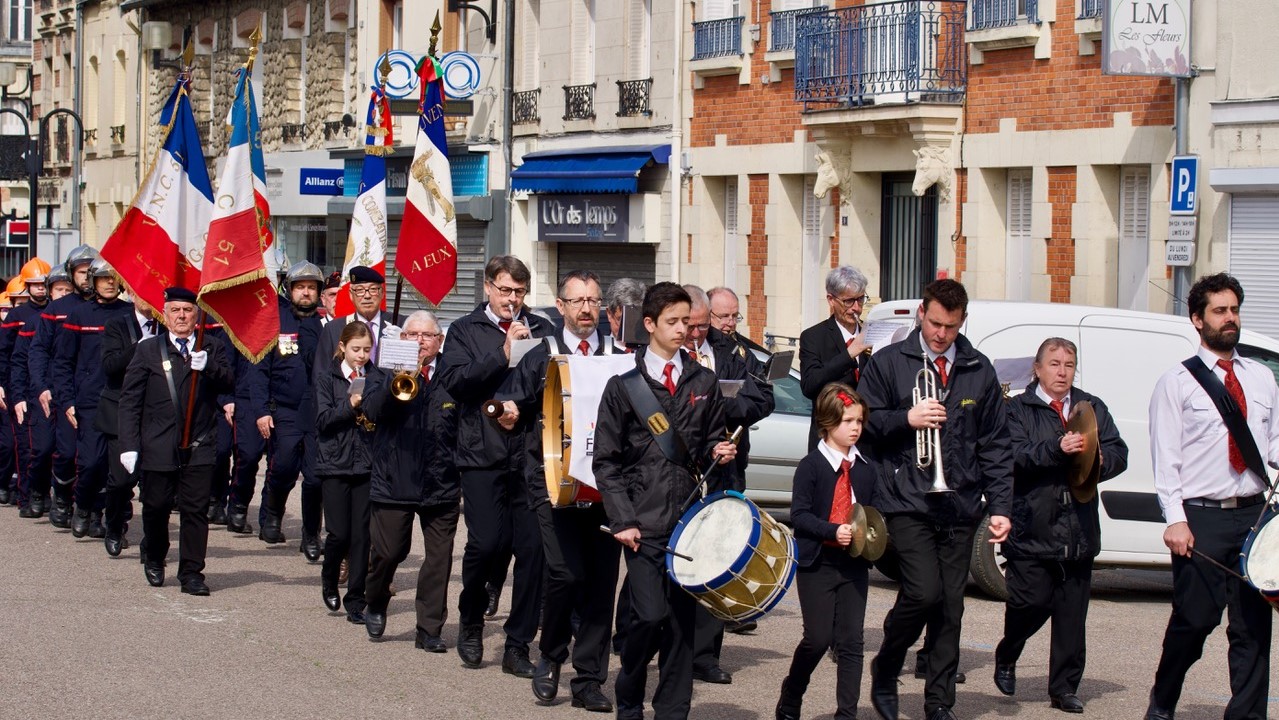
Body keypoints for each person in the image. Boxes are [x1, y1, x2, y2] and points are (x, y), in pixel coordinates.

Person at [858, 279, 1013, 720]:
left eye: (951, 325)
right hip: (906, 499)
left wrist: (1001, 507)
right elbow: (863, 423)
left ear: (963, 321)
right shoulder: (890, 362)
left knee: (950, 606)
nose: (941, 333)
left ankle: (939, 702)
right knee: (924, 592)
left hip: (960, 501)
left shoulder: (978, 368)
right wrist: (907, 418)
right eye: (935, 322)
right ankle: (887, 665)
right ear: (923, 313)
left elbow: (996, 445)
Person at [594, 281, 737, 720]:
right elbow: (606, 461)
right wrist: (622, 519)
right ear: (650, 324)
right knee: (649, 616)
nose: (683, 331)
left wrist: (720, 449)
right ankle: (631, 692)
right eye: (672, 322)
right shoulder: (623, 386)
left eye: (687, 322)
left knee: (681, 623)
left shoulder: (704, 379)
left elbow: (712, 437)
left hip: (690, 520)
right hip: (643, 521)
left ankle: (673, 708)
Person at [1144, 273, 1279, 720]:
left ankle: (1246, 716)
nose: (1230, 319)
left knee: (1254, 629)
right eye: (1220, 311)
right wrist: (1175, 519)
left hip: (1255, 515)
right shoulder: (1176, 383)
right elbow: (1167, 461)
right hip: (1202, 518)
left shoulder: (1261, 378)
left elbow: (1272, 447)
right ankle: (1163, 701)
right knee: (1195, 621)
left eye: (1234, 310)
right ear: (1197, 319)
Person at [496, 270, 621, 711]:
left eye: (593, 300)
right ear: (561, 306)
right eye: (578, 301)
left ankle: (588, 679)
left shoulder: (618, 355)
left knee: (602, 584)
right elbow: (513, 399)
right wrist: (508, 411)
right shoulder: (542, 354)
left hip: (606, 489)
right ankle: (550, 658)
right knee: (566, 574)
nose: (586, 309)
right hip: (554, 486)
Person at [994, 337, 1129, 714]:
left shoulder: (1092, 407)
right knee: (1029, 603)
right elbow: (1012, 456)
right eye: (1053, 364)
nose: (1062, 371)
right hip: (1031, 527)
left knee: (1072, 616)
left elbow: (1120, 452)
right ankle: (1008, 652)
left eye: (1069, 364)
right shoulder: (1017, 408)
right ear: (1037, 369)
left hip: (1078, 530)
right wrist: (1057, 448)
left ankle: (1064, 687)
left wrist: (1099, 459)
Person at [437, 254, 553, 675]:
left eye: (520, 292)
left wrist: (520, 405)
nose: (513, 300)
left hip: (531, 455)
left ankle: (517, 644)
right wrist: (503, 353)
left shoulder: (542, 329)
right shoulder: (465, 330)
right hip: (481, 452)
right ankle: (470, 620)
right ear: (488, 287)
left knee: (533, 550)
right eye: (505, 291)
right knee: (486, 544)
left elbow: (552, 386)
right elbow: (455, 382)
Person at [683, 284, 774, 684]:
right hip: (676, 471)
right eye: (694, 325)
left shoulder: (732, 352)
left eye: (705, 326)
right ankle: (637, 632)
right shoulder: (665, 351)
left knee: (713, 558)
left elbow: (762, 398)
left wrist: (718, 405)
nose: (699, 333)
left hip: (725, 469)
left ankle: (705, 656)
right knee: (660, 558)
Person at [117, 287, 235, 595]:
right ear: (165, 315)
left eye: (187, 311)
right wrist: (128, 444)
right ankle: (155, 556)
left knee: (195, 511)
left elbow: (230, 381)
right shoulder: (148, 350)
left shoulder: (212, 346)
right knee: (155, 506)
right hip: (158, 443)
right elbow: (130, 401)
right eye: (175, 311)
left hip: (199, 442)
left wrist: (208, 365)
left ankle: (192, 572)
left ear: (196, 315)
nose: (181, 316)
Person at [776, 383, 876, 720]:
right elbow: (800, 515)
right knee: (818, 639)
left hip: (852, 565)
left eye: (859, 421)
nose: (855, 428)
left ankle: (846, 714)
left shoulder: (866, 468)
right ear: (828, 422)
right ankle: (792, 692)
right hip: (817, 562)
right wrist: (833, 530)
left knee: (851, 643)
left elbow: (872, 514)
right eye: (848, 421)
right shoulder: (811, 466)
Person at [361, 311, 460, 648]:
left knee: (439, 559)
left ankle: (429, 629)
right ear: (401, 339)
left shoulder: (451, 372)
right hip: (394, 478)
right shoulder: (385, 367)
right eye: (412, 334)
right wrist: (396, 382)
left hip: (440, 481)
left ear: (439, 341)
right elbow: (372, 411)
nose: (419, 341)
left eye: (427, 335)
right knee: (389, 553)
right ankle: (375, 601)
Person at [244, 261, 324, 553]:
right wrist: (261, 410)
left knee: (316, 477)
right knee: (284, 467)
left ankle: (311, 535)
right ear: (289, 290)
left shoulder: (326, 325)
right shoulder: (273, 322)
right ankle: (273, 514)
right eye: (300, 287)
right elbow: (258, 370)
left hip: (317, 412)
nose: (306, 293)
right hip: (284, 410)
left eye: (311, 288)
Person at [51, 259, 135, 538]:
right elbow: (62, 362)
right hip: (88, 401)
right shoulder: (79, 315)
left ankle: (104, 513)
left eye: (114, 278)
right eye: (103, 278)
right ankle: (83, 506)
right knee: (90, 462)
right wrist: (67, 401)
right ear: (93, 282)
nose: (110, 283)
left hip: (122, 401)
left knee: (118, 466)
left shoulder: (130, 314)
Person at [314, 321, 379, 624]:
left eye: (367, 350)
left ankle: (356, 599)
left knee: (361, 536)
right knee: (339, 533)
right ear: (342, 347)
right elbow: (324, 419)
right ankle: (329, 579)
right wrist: (350, 404)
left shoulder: (375, 376)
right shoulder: (327, 378)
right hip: (335, 462)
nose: (362, 355)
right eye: (356, 349)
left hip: (366, 462)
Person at [30, 245, 96, 528]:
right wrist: (42, 386)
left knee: (96, 457)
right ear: (71, 274)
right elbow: (39, 351)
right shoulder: (56, 310)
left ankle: (92, 508)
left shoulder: (103, 308)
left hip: (94, 392)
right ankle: (62, 497)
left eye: (90, 272)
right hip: (62, 388)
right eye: (81, 272)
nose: (86, 278)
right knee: (65, 452)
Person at [99, 304, 159, 557]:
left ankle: (152, 543)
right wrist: (142, 346)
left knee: (156, 486)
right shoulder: (117, 325)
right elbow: (110, 366)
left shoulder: (166, 326)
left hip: (157, 413)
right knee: (122, 479)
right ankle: (114, 526)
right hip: (121, 410)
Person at [800, 266, 871, 452]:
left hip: (868, 442)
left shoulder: (872, 334)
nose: (856, 308)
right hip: (828, 440)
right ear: (831, 300)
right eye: (848, 301)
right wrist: (850, 354)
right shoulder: (813, 337)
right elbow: (809, 385)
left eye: (860, 299)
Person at [6, 272, 51, 517]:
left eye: (41, 284)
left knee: (52, 450)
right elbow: (9, 356)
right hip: (21, 386)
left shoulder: (56, 315)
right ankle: (26, 496)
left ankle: (45, 494)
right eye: (33, 285)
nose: (39, 290)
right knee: (26, 447)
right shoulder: (17, 317)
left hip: (50, 389)